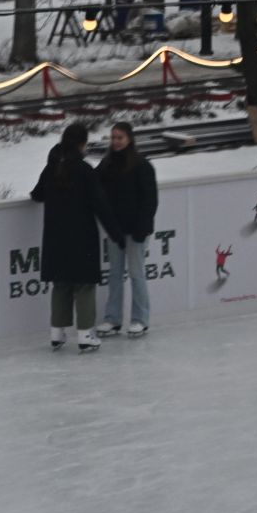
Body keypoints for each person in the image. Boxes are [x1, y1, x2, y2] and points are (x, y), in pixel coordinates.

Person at [30, 122, 121, 352]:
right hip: (81, 237)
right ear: (82, 144)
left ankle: (57, 333)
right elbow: (100, 206)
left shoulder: (51, 168)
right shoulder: (84, 171)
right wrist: (115, 234)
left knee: (60, 284)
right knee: (84, 286)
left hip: (55, 237)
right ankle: (85, 334)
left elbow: (37, 194)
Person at [95, 120, 158, 338]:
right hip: (116, 230)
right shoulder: (106, 165)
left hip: (137, 229)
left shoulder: (142, 165)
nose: (116, 142)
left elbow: (150, 199)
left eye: (120, 138)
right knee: (114, 273)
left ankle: (140, 319)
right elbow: (94, 186)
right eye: (113, 138)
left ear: (129, 139)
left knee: (136, 273)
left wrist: (142, 227)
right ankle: (112, 319)